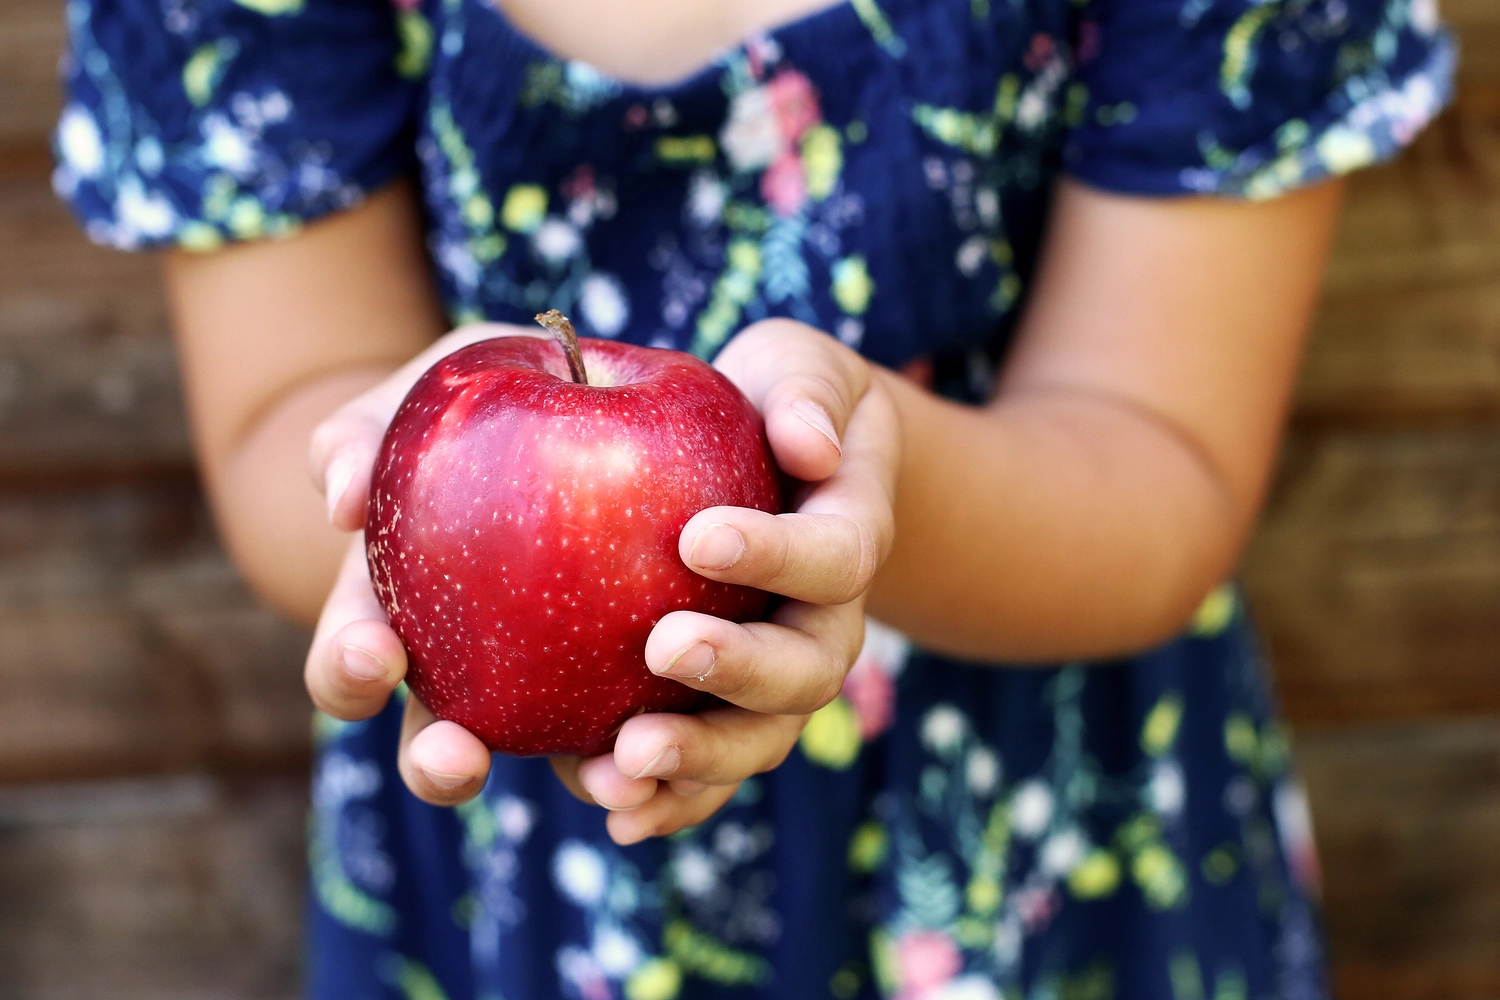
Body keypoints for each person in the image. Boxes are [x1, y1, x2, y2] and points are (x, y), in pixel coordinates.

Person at [55, 0, 1451, 995]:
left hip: (1036, 853)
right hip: (515, 873)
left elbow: (1163, 458)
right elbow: (273, 416)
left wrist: (857, 492)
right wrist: (394, 468)